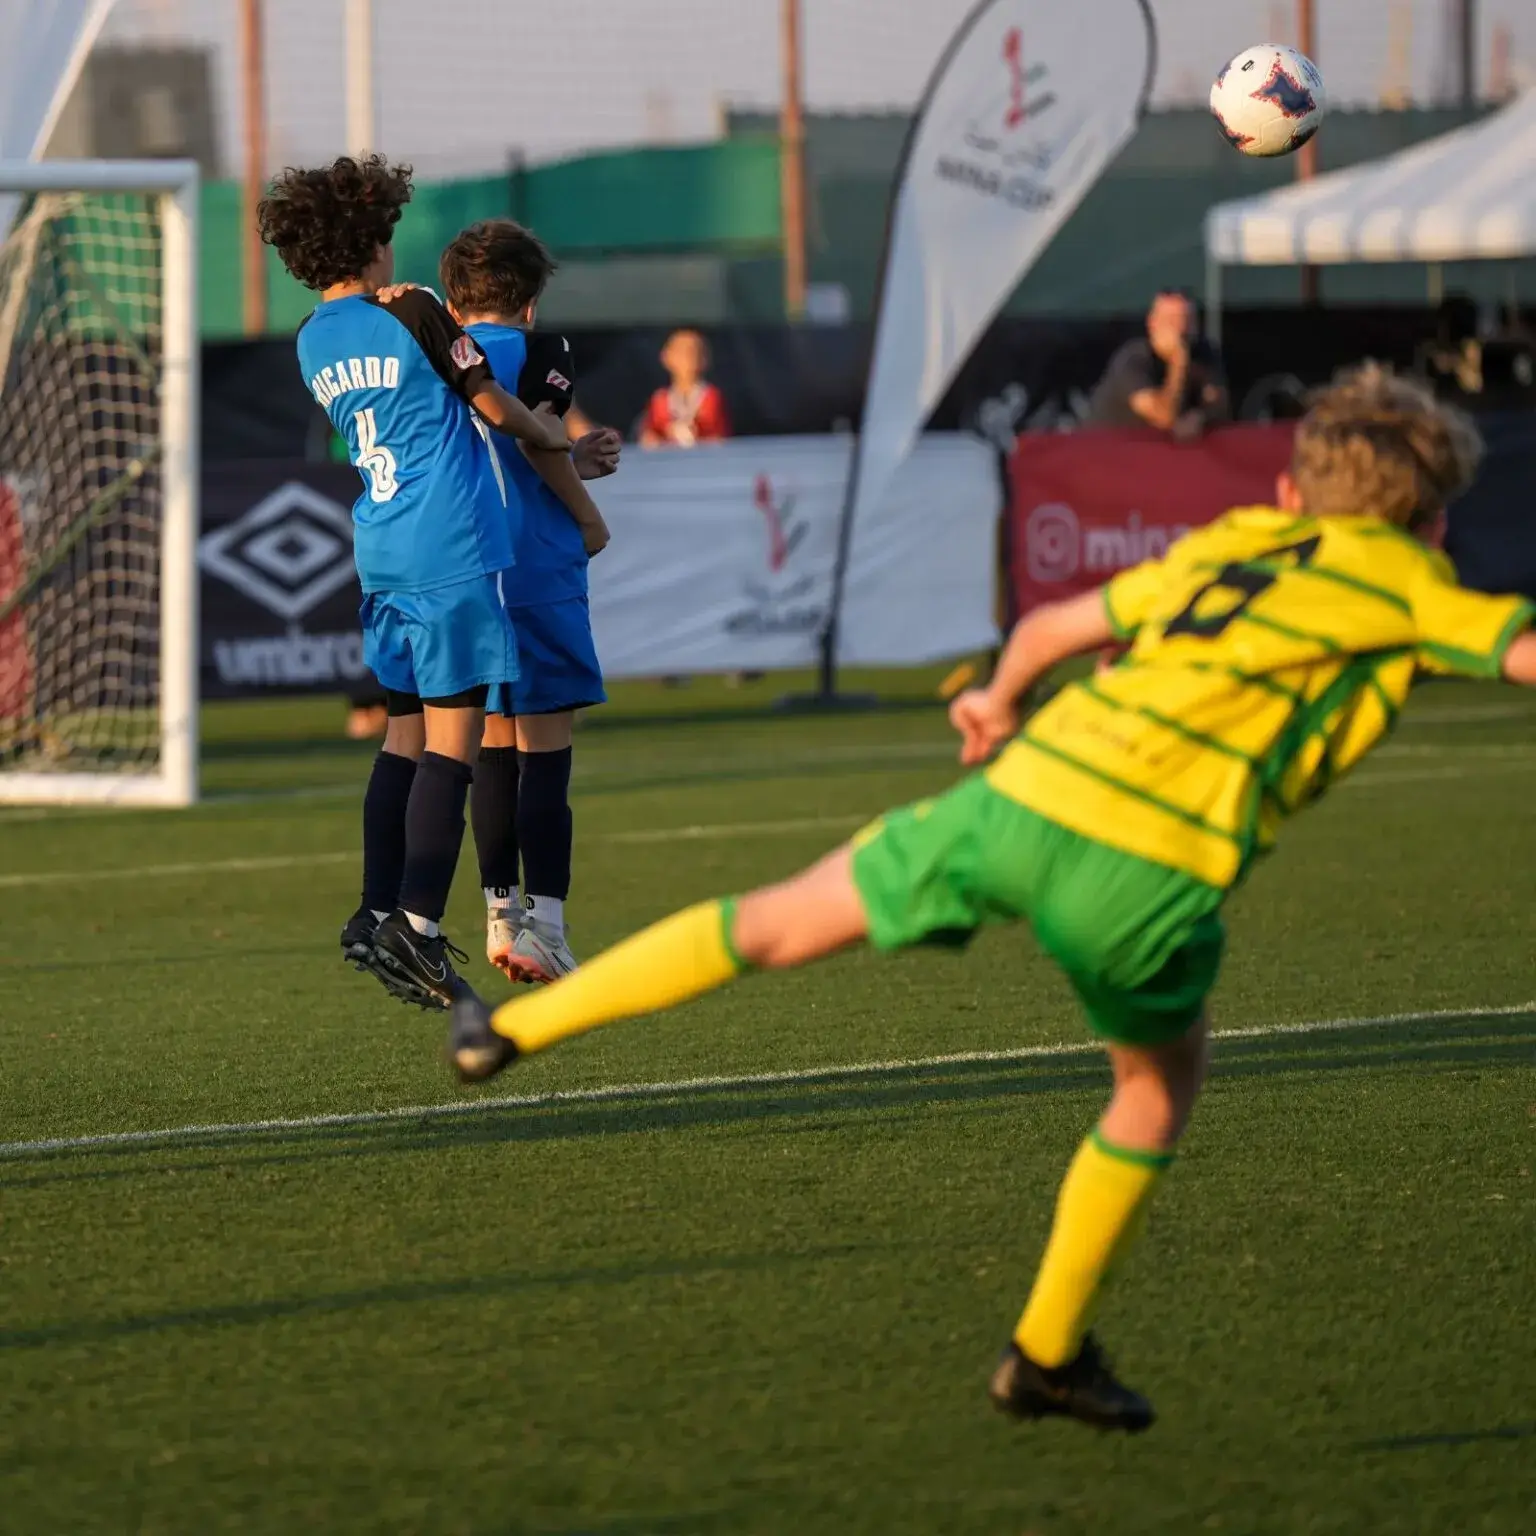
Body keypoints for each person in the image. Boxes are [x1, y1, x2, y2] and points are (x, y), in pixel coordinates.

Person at [444, 364, 1536, 1431]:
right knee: (1158, 1085)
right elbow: (1517, 650)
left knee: (775, 920)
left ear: (1292, 493)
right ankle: (1045, 1352)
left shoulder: (1235, 544)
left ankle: (510, 1024)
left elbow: (1052, 631)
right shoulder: (1408, 581)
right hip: (1146, 864)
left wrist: (996, 706)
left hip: (1025, 792)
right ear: (1431, 525)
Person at [257, 154, 570, 1011]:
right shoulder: (421, 312)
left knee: (401, 739)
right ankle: (419, 932)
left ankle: (371, 910)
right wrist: (560, 443)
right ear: (370, 243)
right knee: (453, 749)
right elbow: (491, 405)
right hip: (451, 552)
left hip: (382, 552)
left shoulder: (311, 339)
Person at [436, 218, 621, 985]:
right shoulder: (542, 352)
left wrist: (567, 457)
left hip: (466, 572)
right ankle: (548, 926)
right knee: (546, 759)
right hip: (536, 577)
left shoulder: (441, 357)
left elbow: (498, 447)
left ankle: (501, 915)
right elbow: (533, 432)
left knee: (495, 753)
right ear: (533, 301)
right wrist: (586, 511)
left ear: (453, 302)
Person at [1088, 289, 1229, 439]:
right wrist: (1178, 360)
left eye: (1187, 321)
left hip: (1162, 454)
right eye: (1171, 321)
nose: (1180, 329)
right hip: (1110, 450)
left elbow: (1219, 404)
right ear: (1152, 324)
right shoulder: (1134, 359)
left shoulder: (1204, 353)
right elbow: (1164, 417)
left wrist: (1199, 417)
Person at [639, 329, 730, 448]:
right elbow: (650, 434)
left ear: (705, 358)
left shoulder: (712, 397)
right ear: (666, 357)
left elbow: (718, 436)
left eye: (693, 352)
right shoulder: (659, 399)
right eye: (680, 352)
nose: (687, 358)